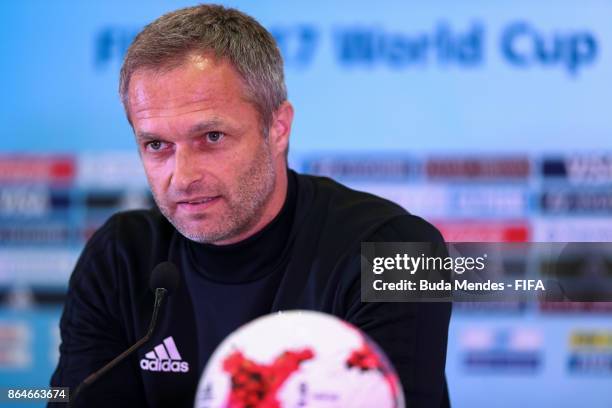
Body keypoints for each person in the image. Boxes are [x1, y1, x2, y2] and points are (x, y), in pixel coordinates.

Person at [50, 4, 451, 407]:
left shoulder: (400, 250)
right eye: (157, 145)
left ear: (278, 128)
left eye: (211, 137)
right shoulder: (119, 255)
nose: (182, 176)